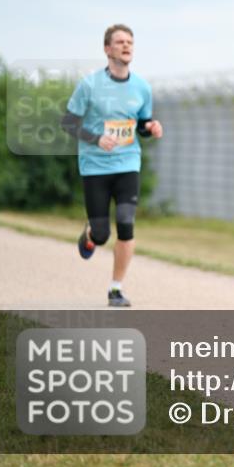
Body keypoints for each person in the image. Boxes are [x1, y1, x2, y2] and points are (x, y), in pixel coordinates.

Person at [61, 24, 163, 307]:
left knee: (127, 223)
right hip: (95, 167)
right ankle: (92, 235)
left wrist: (151, 127)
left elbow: (141, 123)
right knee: (104, 234)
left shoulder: (141, 86)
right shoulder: (90, 85)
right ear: (107, 49)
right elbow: (68, 122)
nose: (126, 46)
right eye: (119, 42)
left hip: (128, 163)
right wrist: (95, 138)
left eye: (130, 41)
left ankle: (116, 288)